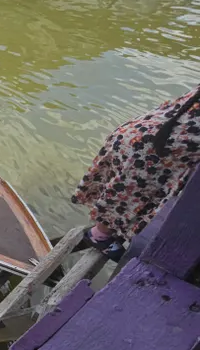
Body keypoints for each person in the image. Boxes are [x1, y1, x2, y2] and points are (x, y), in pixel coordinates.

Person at [72, 84, 200, 257]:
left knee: (122, 191)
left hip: (138, 133)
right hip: (148, 150)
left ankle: (109, 229)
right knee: (127, 195)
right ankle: (99, 236)